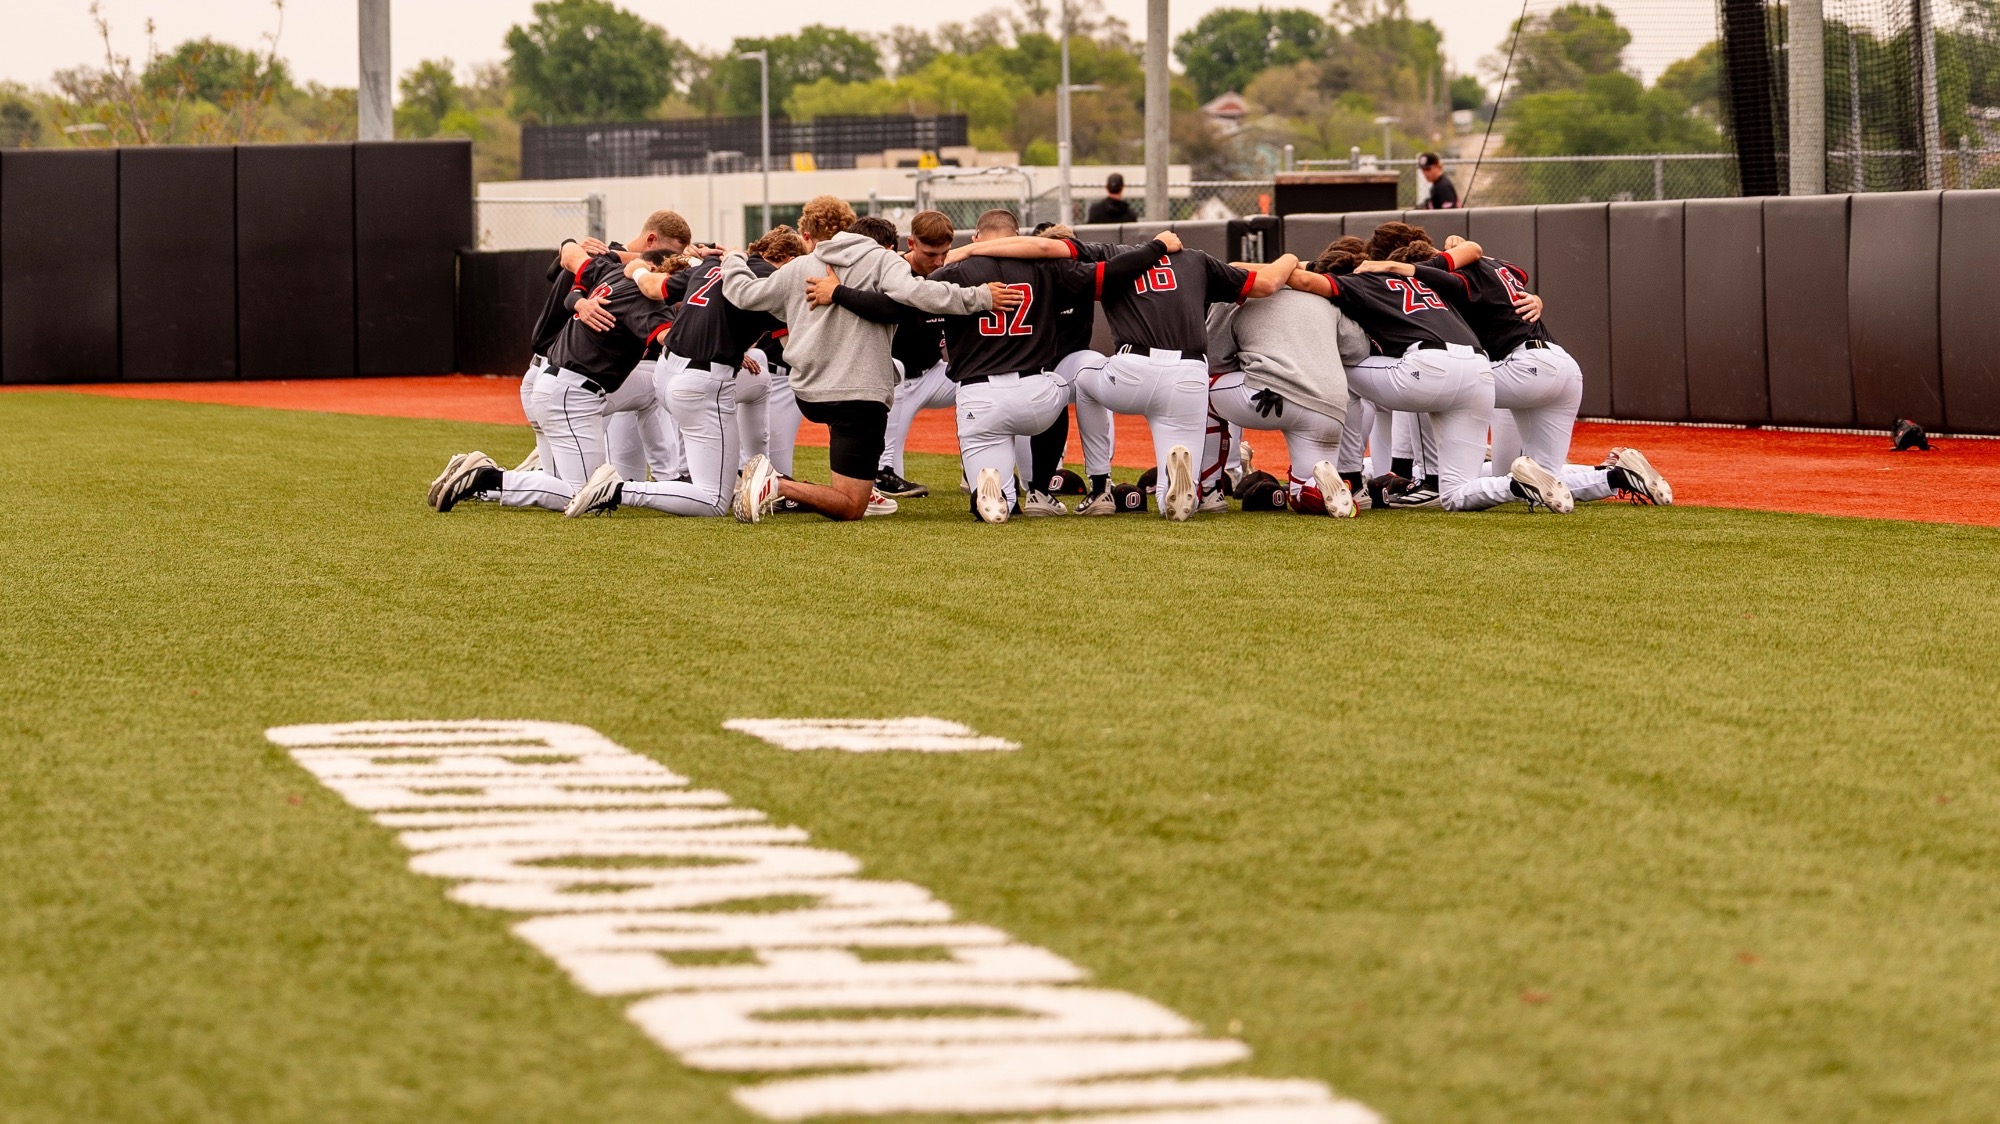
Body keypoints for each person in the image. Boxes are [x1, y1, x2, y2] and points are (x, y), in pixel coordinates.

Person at [719, 195, 1014, 523]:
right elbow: (919, 294)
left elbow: (744, 296)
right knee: (850, 506)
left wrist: (732, 259)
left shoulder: (802, 265)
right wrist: (981, 297)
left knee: (856, 461)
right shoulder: (883, 261)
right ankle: (778, 484)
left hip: (809, 393)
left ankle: (859, 480)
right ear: (889, 247)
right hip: (857, 395)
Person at [1378, 237, 1673, 506]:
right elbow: (1515, 274)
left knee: (1433, 381)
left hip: (1522, 367)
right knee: (1540, 480)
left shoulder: (1455, 277)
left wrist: (1396, 268)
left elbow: (1447, 273)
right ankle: (1617, 476)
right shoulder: (1495, 265)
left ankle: (1429, 481)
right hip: (1564, 368)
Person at [1286, 242, 1556, 513]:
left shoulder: (1361, 281)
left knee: (1338, 368)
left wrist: (1279, 262)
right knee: (1454, 494)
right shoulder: (1431, 280)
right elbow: (1477, 255)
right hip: (1479, 372)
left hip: (1428, 368)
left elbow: (1303, 280)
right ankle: (1515, 484)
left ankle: (1353, 482)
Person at [565, 227, 804, 520]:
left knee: (758, 377)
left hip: (666, 372)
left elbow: (653, 287)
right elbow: (793, 348)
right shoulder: (771, 279)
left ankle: (753, 469)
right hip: (702, 380)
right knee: (714, 500)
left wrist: (638, 269)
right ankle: (619, 489)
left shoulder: (713, 264)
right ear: (790, 258)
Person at [429, 247, 678, 513]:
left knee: (650, 387)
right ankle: (487, 479)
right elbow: (673, 341)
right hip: (573, 393)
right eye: (673, 281)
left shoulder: (612, 272)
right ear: (652, 271)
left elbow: (570, 254)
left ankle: (669, 477)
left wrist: (579, 299)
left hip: (557, 382)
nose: (673, 290)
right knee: (586, 494)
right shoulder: (644, 299)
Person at [1201, 279, 1370, 517]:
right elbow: (1357, 350)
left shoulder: (1236, 298)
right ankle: (1314, 488)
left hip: (1265, 396)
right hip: (1328, 406)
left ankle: (1208, 492)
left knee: (1197, 391)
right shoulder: (1324, 299)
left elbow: (1214, 361)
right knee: (1302, 495)